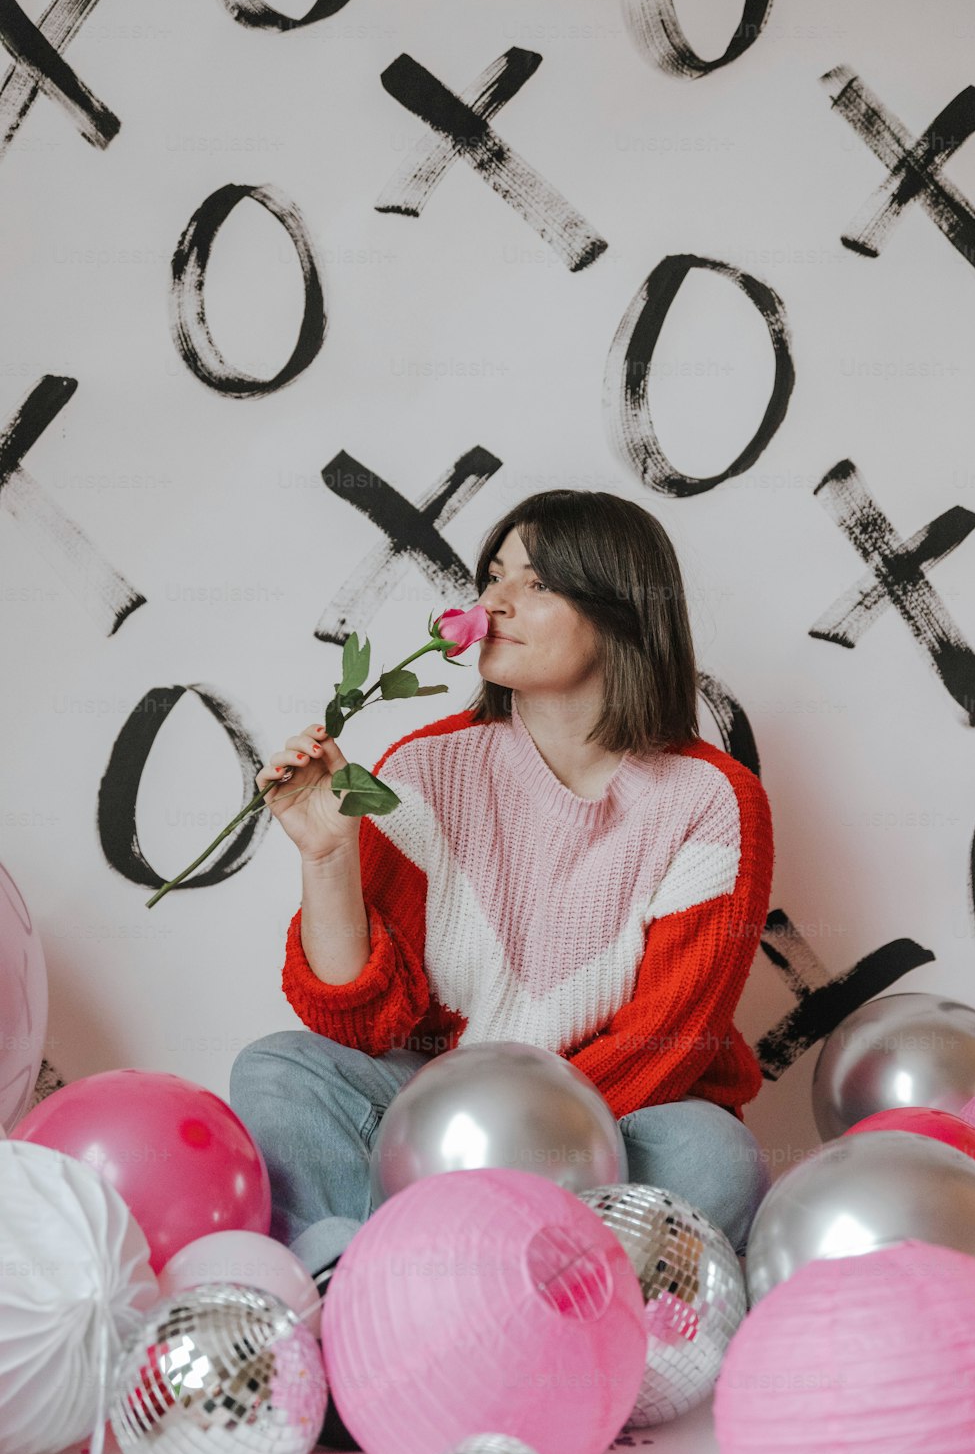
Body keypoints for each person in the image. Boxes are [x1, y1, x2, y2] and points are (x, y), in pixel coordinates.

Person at [229, 489, 774, 1287]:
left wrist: (507, 1151)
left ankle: (513, 1281)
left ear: (621, 611)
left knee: (713, 1153)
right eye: (492, 577)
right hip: (438, 1105)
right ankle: (353, 1286)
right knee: (276, 1068)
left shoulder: (712, 801)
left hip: (609, 1120)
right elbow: (357, 1022)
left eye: (537, 583)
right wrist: (327, 857)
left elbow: (668, 1043)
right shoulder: (425, 767)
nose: (493, 602)